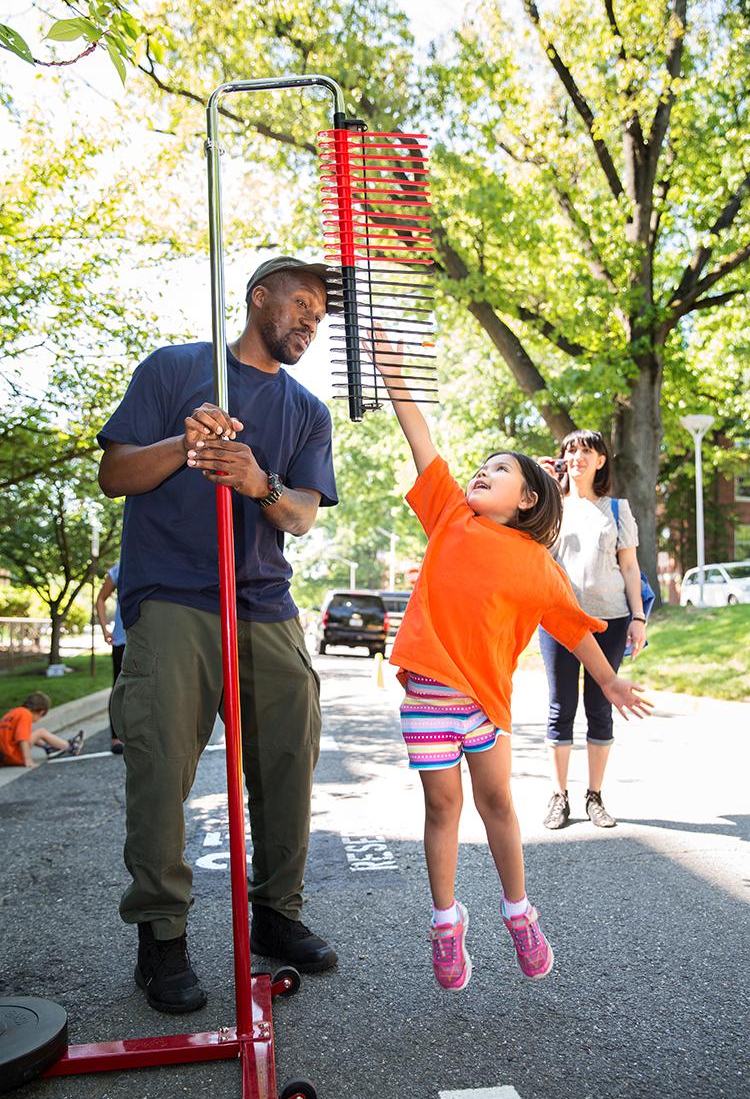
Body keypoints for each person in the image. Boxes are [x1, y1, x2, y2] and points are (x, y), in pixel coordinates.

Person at [367, 333, 652, 991]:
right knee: (443, 808)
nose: (482, 472)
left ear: (527, 498)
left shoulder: (536, 566)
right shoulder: (448, 516)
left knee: (496, 802)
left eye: (499, 470)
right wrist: (393, 375)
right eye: (482, 466)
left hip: (484, 706)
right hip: (428, 700)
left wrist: (609, 678)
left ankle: (518, 912)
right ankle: (446, 922)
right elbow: (420, 440)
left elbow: (574, 629)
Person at [97, 257, 340, 1015]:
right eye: (300, 304)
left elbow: (302, 513)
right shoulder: (173, 370)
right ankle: (162, 938)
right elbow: (115, 474)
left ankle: (277, 914)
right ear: (259, 297)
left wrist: (259, 482)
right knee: (161, 769)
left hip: (264, 601)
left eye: (319, 316)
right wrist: (186, 445)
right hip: (174, 596)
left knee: (288, 760)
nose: (309, 321)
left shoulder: (307, 411)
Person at [537, 431, 648, 831]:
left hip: (611, 619)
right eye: (571, 450)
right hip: (559, 619)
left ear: (601, 460)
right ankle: (559, 795)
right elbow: (532, 552)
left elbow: (630, 567)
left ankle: (595, 796)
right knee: (560, 707)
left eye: (587, 450)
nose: (578, 457)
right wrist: (544, 486)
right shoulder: (551, 506)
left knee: (600, 707)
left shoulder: (617, 509)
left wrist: (638, 618)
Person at [0, 692, 85, 767]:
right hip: (13, 755)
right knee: (41, 732)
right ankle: (70, 747)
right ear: (41, 712)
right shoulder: (26, 714)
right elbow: (22, 739)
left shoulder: (13, 712)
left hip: (4, 756)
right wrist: (28, 760)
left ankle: (49, 748)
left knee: (30, 733)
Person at [95, 561, 126, 754]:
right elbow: (100, 599)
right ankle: (116, 737)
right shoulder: (119, 568)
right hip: (122, 640)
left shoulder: (156, 560)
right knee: (119, 688)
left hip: (151, 639)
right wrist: (105, 629)